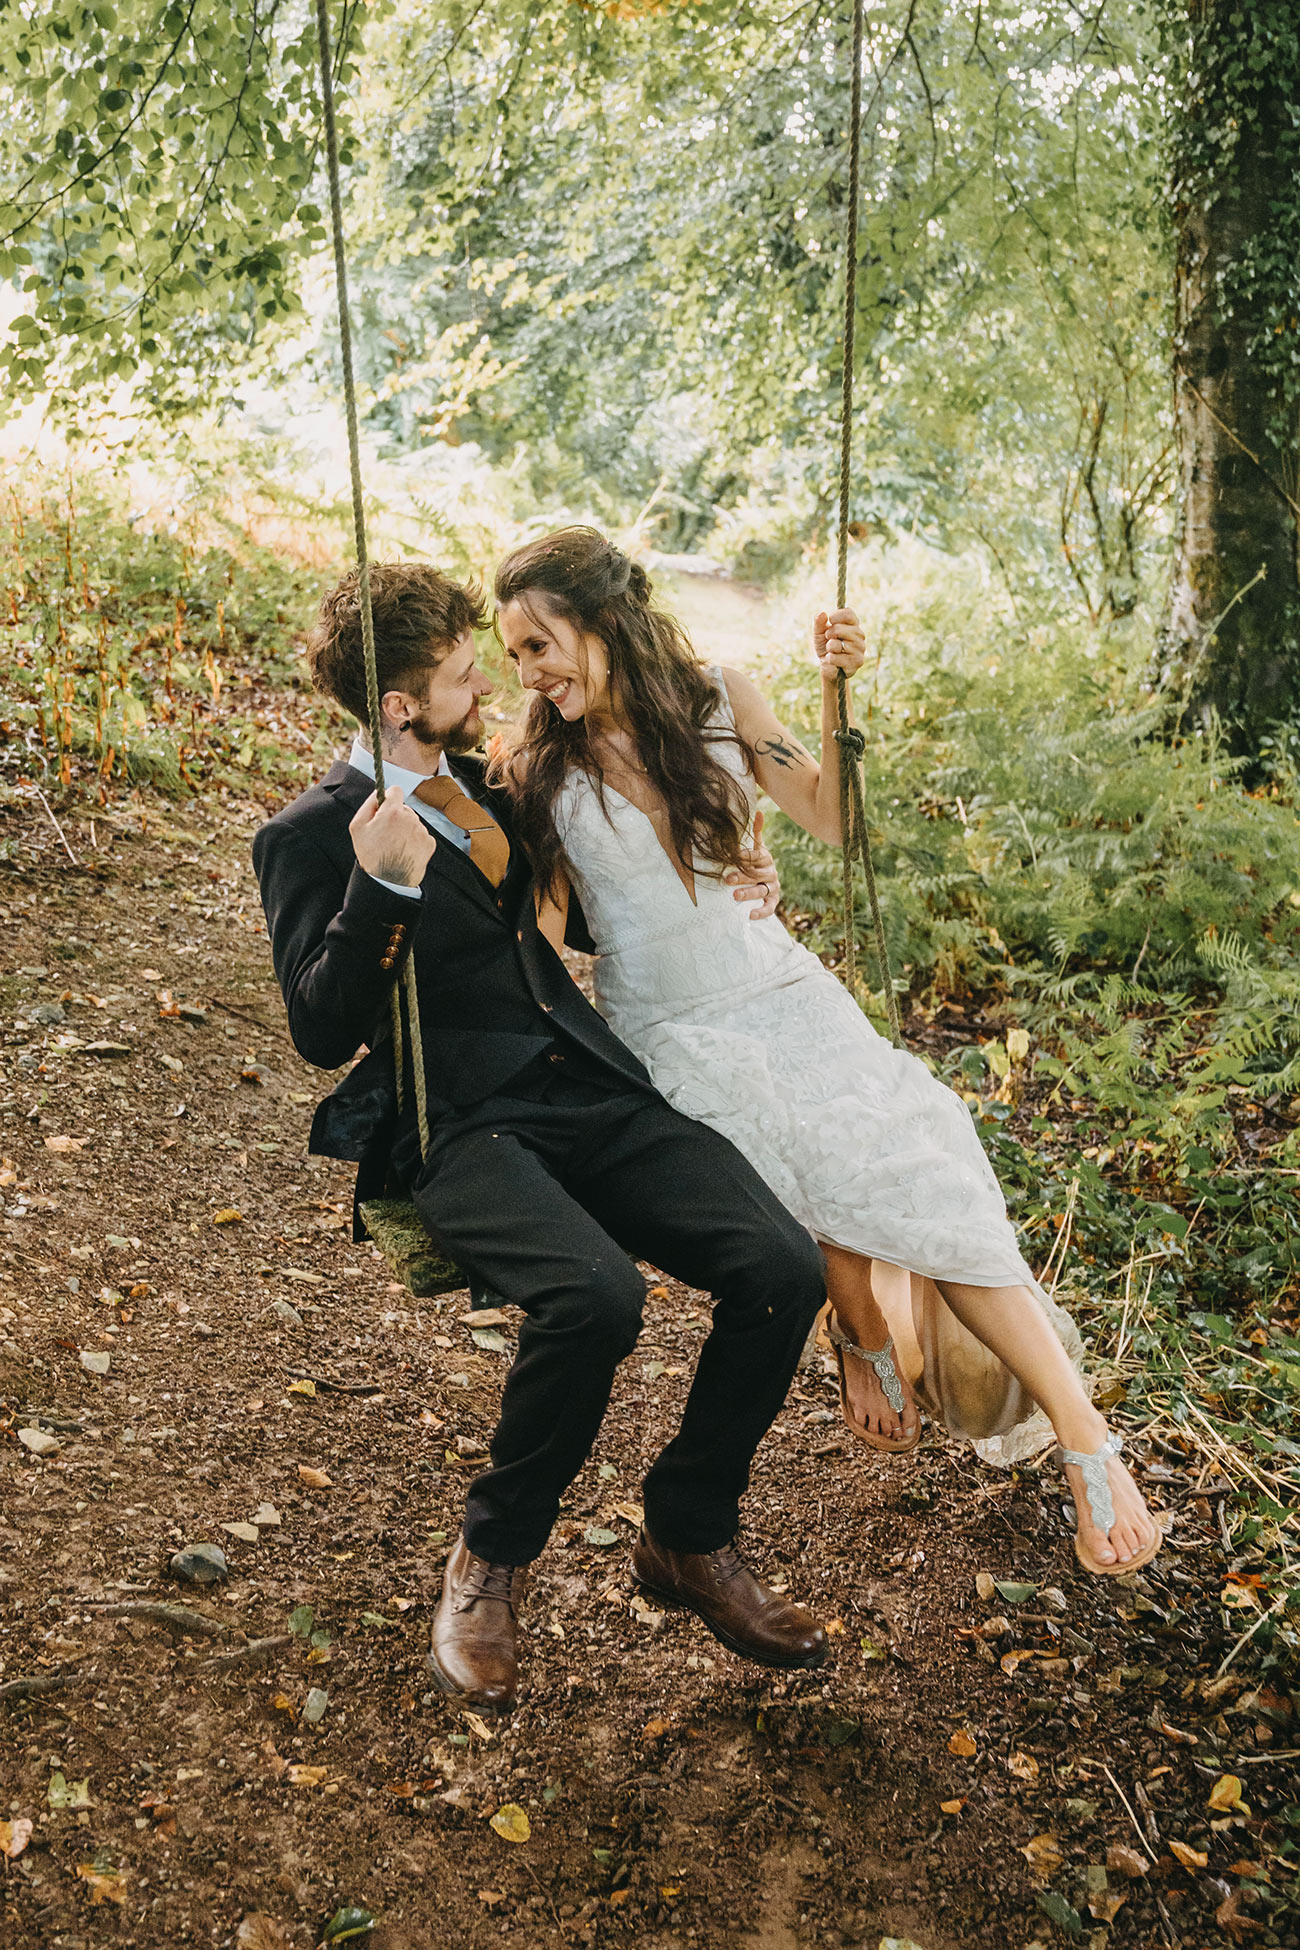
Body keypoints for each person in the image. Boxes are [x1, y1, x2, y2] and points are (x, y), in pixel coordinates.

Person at [492, 527, 1163, 1578]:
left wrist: (835, 699)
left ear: (604, 617)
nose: (531, 673)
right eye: (516, 656)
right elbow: (531, 937)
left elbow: (832, 822)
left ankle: (1086, 1437)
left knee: (924, 1140)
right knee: (801, 1134)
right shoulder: (536, 765)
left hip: (779, 980)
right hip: (671, 1028)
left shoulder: (718, 697)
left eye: (541, 644)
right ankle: (857, 1330)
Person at [251, 562, 834, 1715]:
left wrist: (737, 869)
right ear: (398, 706)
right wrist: (382, 892)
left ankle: (687, 1535)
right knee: (596, 1299)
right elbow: (319, 1029)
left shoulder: (493, 783)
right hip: (457, 1123)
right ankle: (488, 1563)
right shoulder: (312, 834)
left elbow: (614, 860)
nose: (487, 683)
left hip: (586, 1085)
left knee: (781, 1268)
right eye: (465, 673)